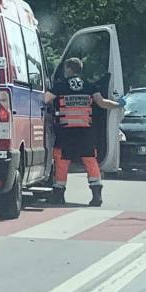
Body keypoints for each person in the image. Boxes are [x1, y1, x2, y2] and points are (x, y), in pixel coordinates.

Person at [48, 57, 119, 207]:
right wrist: (118, 104)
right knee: (90, 160)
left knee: (62, 161)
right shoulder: (89, 86)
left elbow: (45, 99)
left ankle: (59, 195)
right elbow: (102, 103)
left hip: (66, 132)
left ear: (68, 69)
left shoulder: (60, 86)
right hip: (85, 131)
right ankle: (96, 195)